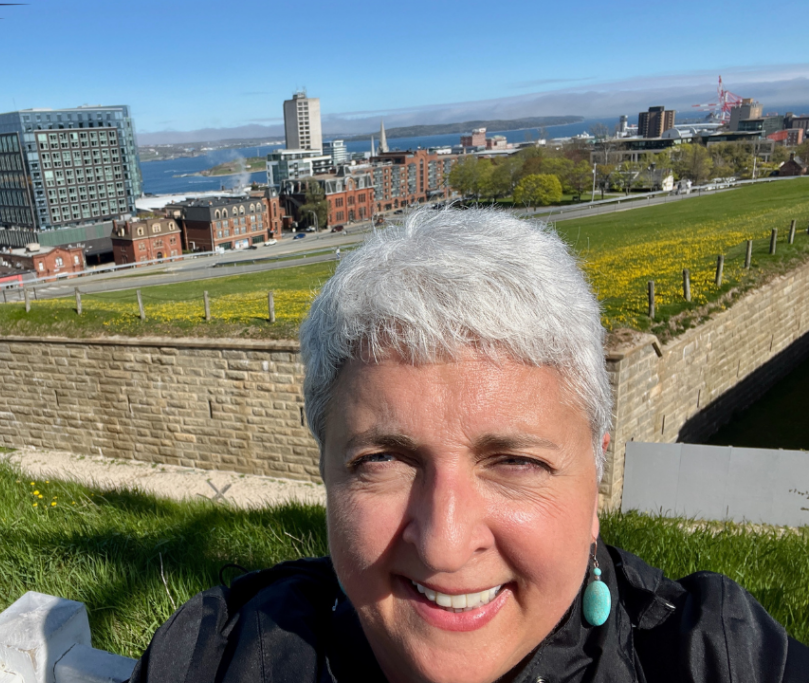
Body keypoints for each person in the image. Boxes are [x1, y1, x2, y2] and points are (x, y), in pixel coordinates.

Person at [130, 208, 809, 683]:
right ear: (327, 475)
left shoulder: (712, 655)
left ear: (596, 479)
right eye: (383, 459)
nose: (444, 543)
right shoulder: (213, 657)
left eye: (515, 460)